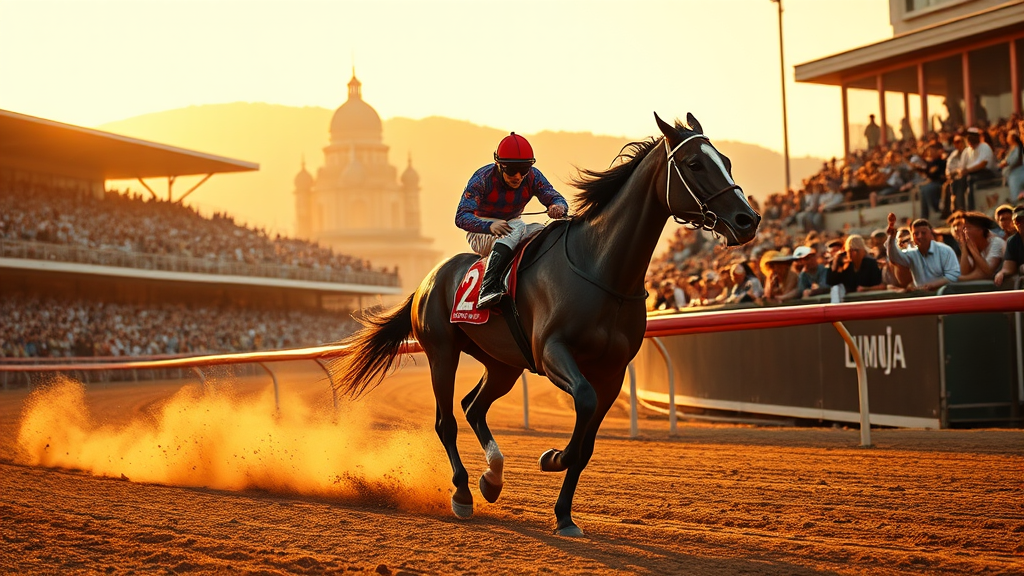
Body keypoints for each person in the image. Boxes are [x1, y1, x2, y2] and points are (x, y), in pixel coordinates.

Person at [455, 132, 569, 308]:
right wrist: (490, 225)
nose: (517, 176)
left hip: (513, 226)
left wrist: (558, 207)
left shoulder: (533, 176)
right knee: (515, 227)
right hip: (480, 231)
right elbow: (461, 217)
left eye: (523, 170)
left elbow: (555, 197)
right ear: (499, 165)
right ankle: (488, 287)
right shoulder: (482, 179)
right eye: (511, 170)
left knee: (544, 230)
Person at [885, 214, 959, 292]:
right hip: (922, 296)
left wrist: (933, 285)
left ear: (931, 234)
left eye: (923, 233)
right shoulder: (912, 253)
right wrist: (892, 238)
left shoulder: (945, 250)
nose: (920, 236)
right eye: (916, 234)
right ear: (912, 237)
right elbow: (895, 258)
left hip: (945, 295)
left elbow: (953, 275)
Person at [952, 211, 1005, 281]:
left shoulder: (996, 242)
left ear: (980, 230)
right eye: (964, 228)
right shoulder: (970, 246)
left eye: (968, 228)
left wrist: (958, 279)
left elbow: (988, 272)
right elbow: (965, 272)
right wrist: (964, 249)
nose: (964, 232)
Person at [956, 128, 996, 211]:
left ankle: (971, 207)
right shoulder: (966, 151)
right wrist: (961, 171)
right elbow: (961, 167)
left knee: (969, 179)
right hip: (970, 173)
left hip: (985, 173)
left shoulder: (984, 147)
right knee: (956, 182)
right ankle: (960, 208)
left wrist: (968, 170)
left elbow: (983, 164)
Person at [994, 205, 1024, 288]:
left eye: (1023, 220)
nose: (1020, 223)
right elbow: (1009, 267)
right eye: (1017, 220)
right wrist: (1002, 273)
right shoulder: (1013, 241)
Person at [999, 131, 1024, 203]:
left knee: (1016, 196)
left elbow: (1014, 161)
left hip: (1017, 175)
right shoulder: (1013, 148)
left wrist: (1006, 164)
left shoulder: (1017, 149)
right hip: (1012, 174)